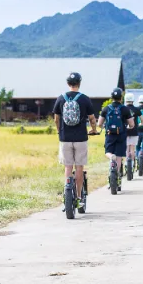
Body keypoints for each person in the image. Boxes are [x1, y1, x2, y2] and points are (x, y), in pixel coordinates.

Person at [52, 72, 97, 213]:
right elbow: (92, 119)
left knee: (67, 167)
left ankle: (67, 194)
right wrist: (93, 130)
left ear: (68, 83)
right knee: (79, 167)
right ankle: (78, 197)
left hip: (65, 138)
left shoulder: (61, 98)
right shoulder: (84, 99)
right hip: (81, 138)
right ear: (79, 83)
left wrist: (60, 131)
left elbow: (56, 119)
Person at [100, 87, 133, 190]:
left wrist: (104, 126)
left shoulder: (106, 108)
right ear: (121, 98)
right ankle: (117, 178)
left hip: (110, 135)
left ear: (112, 97)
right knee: (119, 157)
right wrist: (128, 127)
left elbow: (99, 123)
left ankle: (111, 157)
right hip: (121, 135)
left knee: (108, 152)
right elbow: (132, 124)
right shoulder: (125, 109)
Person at [123, 92, 140, 179]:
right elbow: (142, 120)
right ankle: (132, 165)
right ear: (133, 100)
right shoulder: (137, 109)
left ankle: (126, 164)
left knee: (126, 149)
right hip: (134, 131)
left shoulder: (123, 109)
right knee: (132, 149)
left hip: (125, 131)